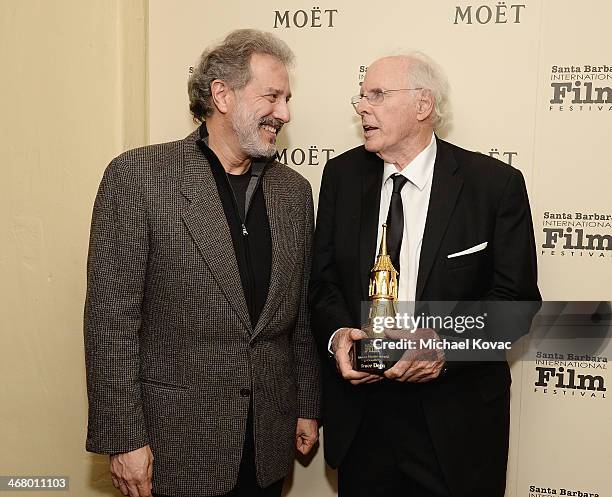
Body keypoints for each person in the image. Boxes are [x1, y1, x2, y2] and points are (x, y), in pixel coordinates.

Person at [84, 29, 321, 497]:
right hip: (174, 446)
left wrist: (308, 402)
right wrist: (124, 439)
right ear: (222, 95)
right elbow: (111, 323)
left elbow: (302, 315)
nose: (285, 113)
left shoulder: (294, 192)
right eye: (271, 96)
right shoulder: (138, 177)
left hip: (268, 444)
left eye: (287, 99)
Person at [309, 52, 541, 497]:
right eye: (361, 96)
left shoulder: (493, 184)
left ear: (423, 105)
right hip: (363, 421)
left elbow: (516, 304)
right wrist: (339, 334)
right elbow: (323, 284)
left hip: (455, 426)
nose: (362, 106)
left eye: (377, 94)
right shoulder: (341, 175)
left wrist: (443, 344)